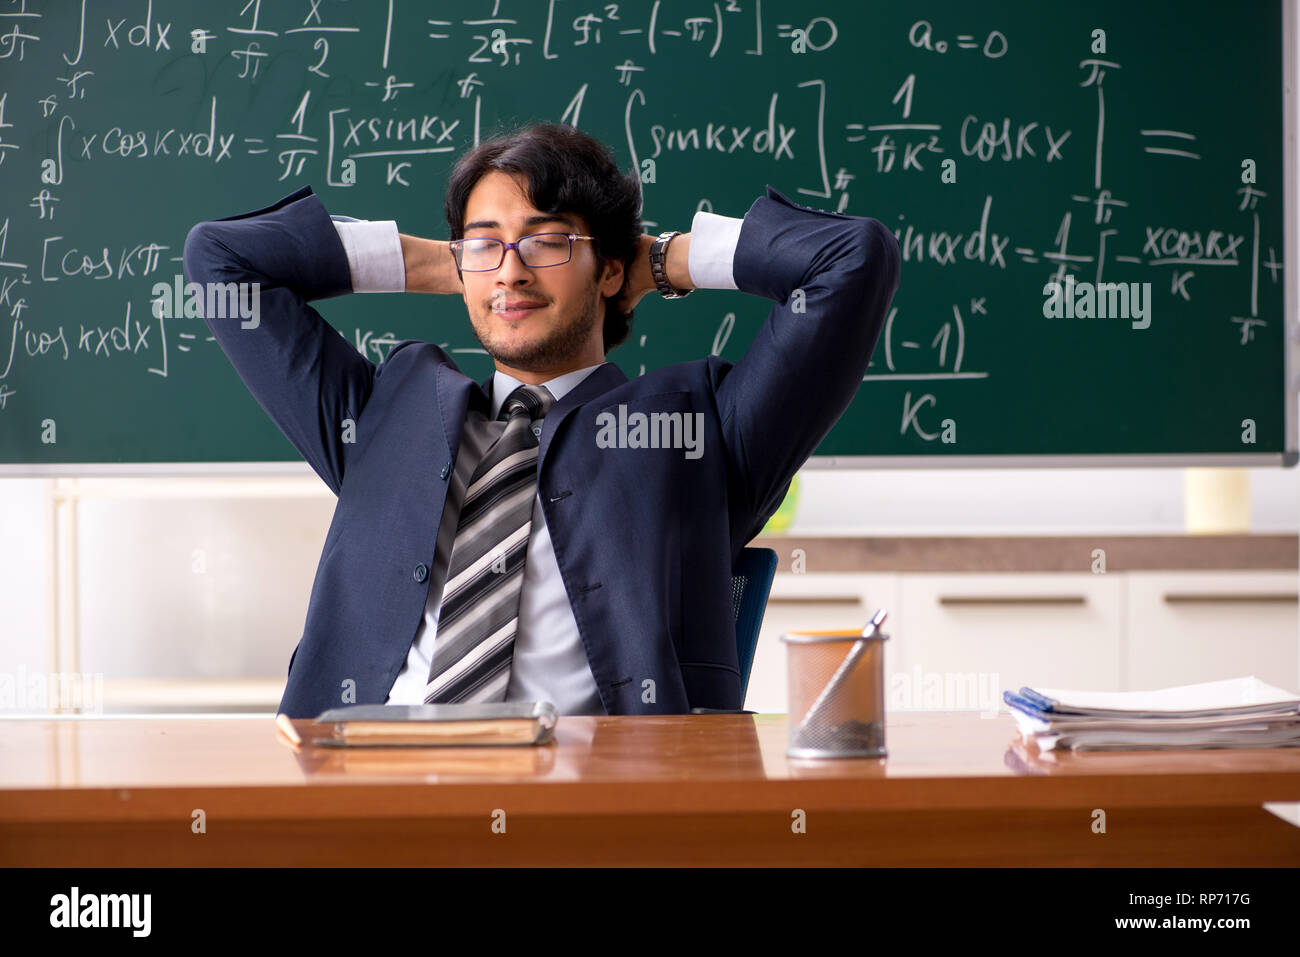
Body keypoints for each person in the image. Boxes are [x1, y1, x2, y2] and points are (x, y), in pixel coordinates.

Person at [182, 122, 901, 718]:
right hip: (366, 791)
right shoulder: (386, 410)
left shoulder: (703, 430)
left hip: (590, 812)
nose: (513, 272)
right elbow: (221, 262)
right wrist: (452, 263)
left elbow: (850, 261)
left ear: (609, 271)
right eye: (487, 240)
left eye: (548, 241)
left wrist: (658, 261)